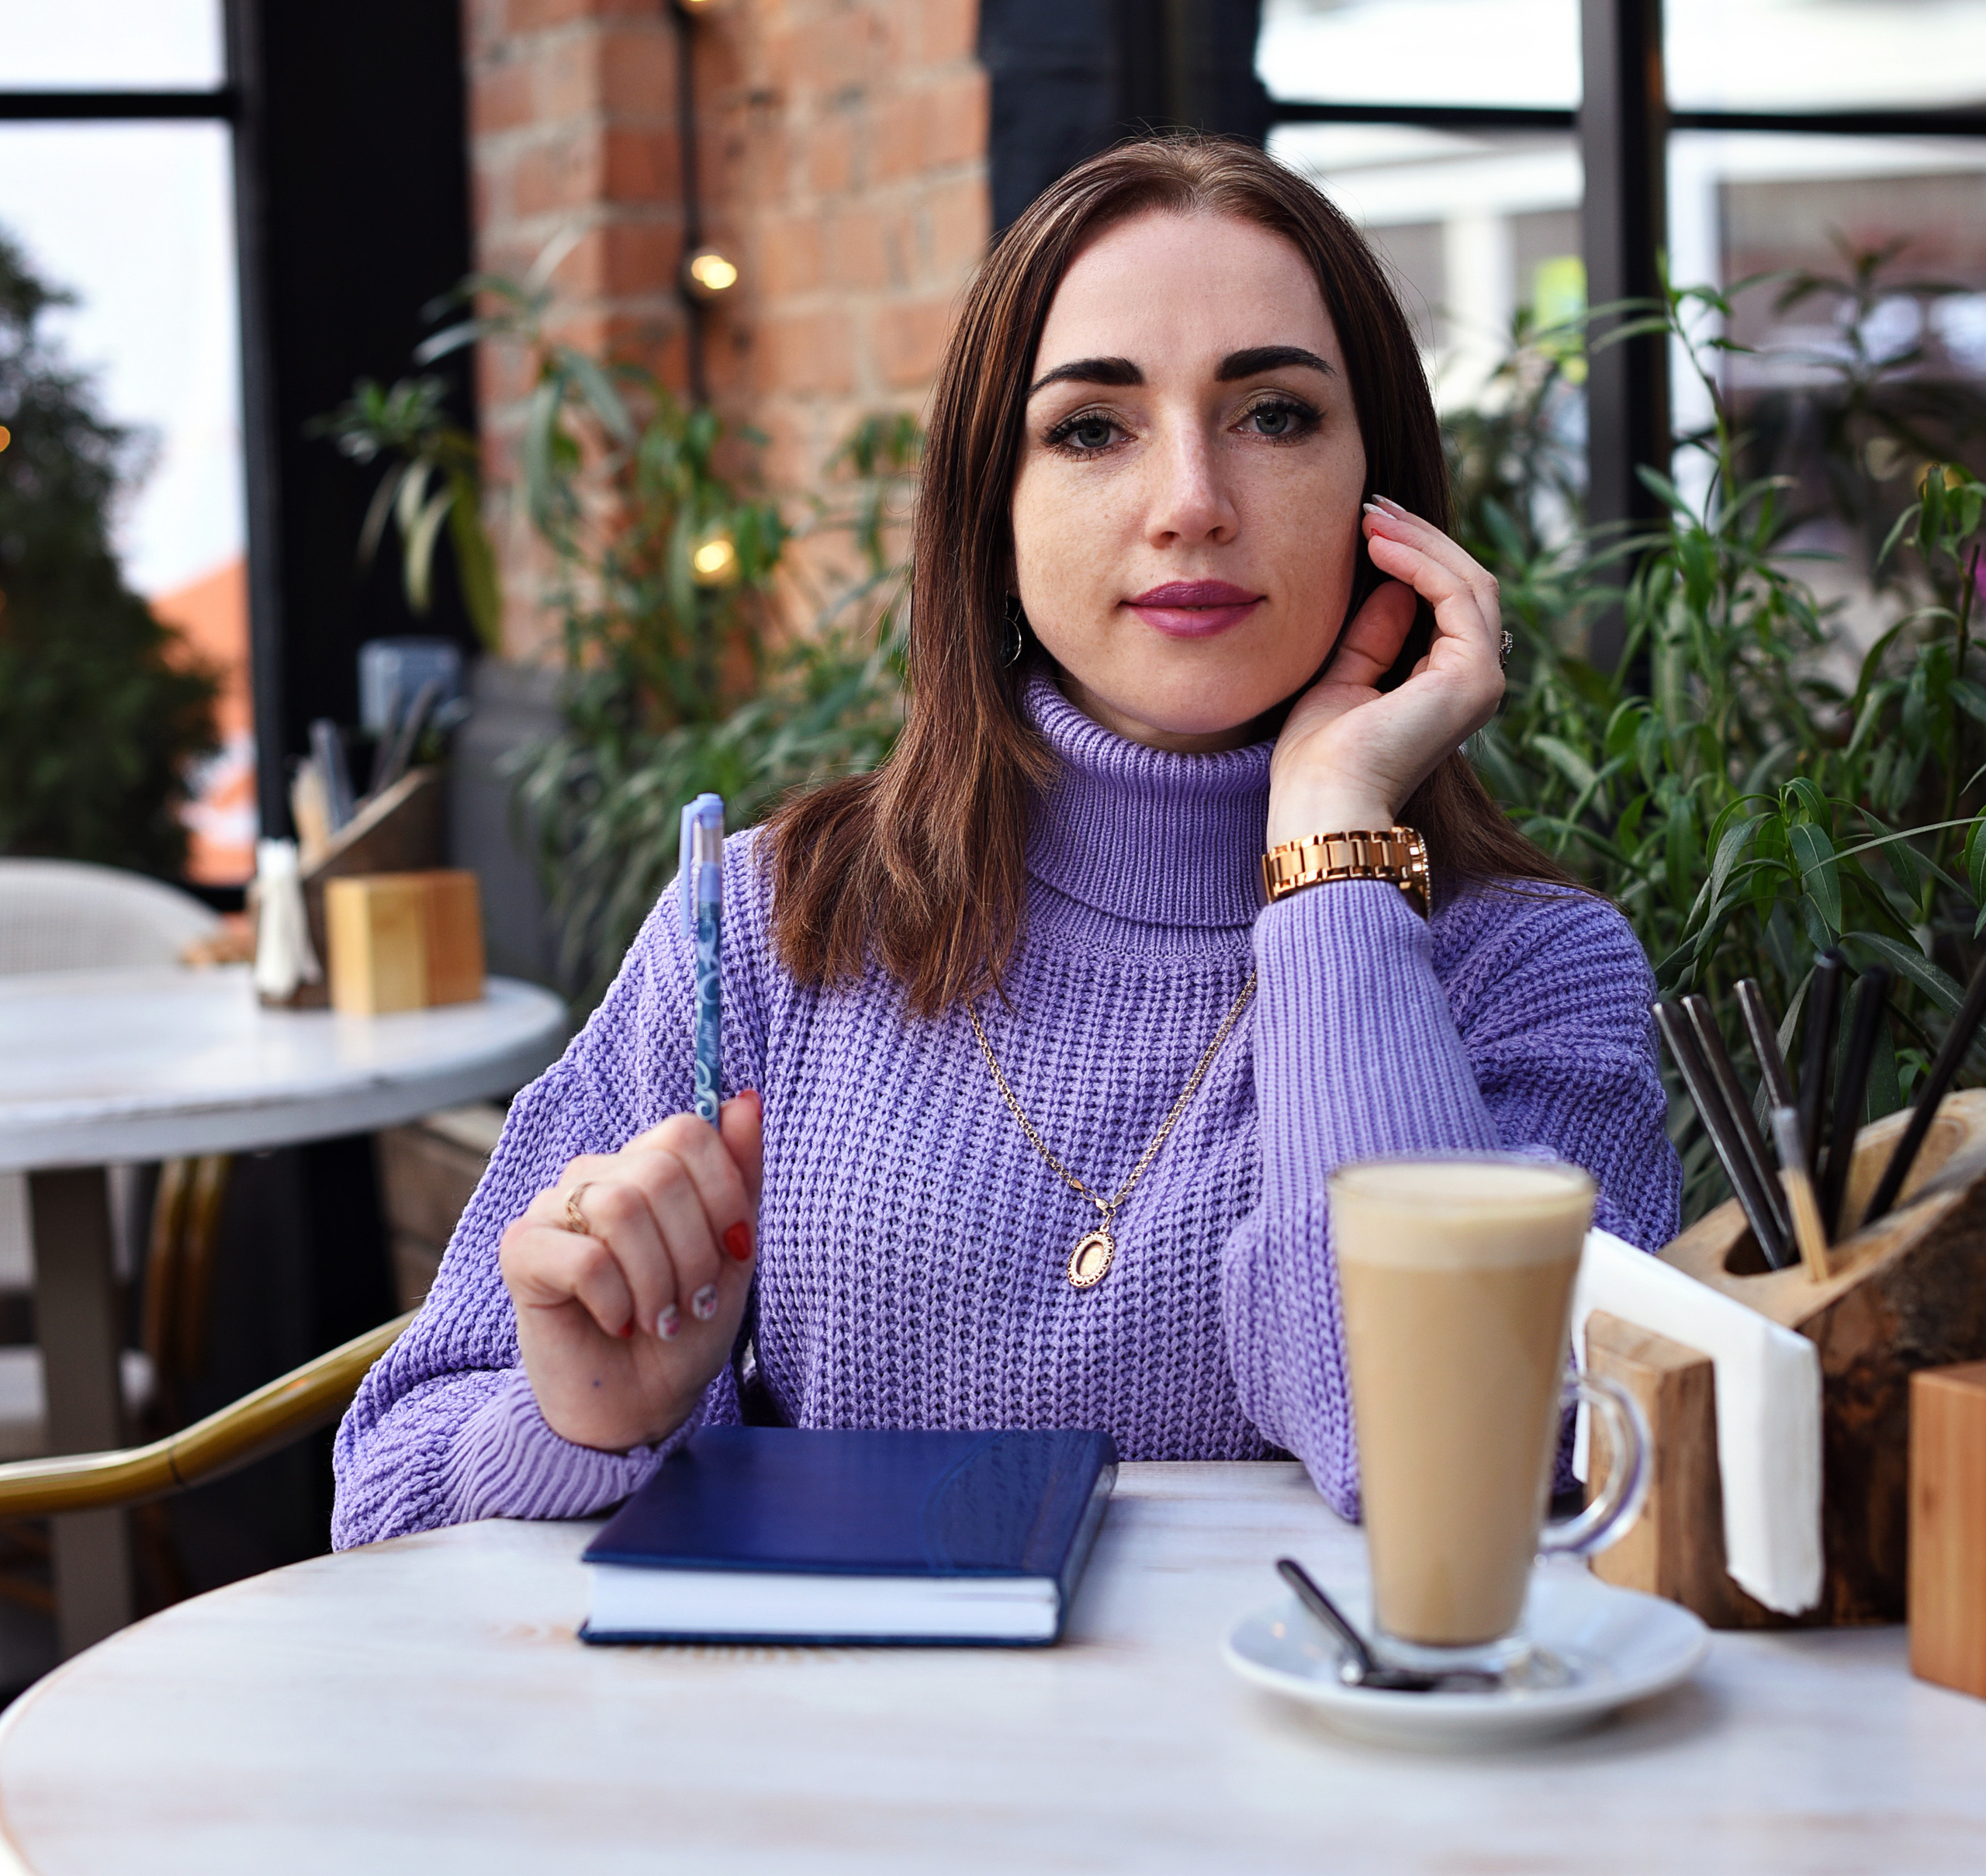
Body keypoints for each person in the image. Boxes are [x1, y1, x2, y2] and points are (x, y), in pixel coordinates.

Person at [332, 136, 1680, 1548]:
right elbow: (384, 1496)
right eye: (1092, 429)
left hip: (1305, 1756)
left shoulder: (1533, 972)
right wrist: (588, 1426)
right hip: (832, 1756)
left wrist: (1333, 849)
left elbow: (1465, 1472)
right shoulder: (777, 924)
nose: (1191, 503)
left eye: (1274, 414)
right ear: (997, 510)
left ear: (1384, 498)